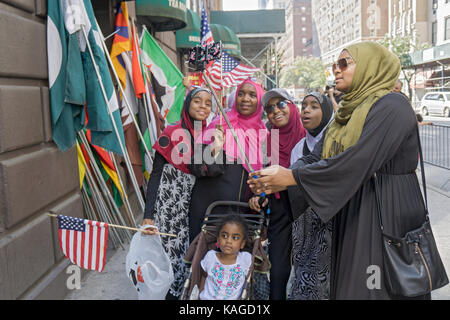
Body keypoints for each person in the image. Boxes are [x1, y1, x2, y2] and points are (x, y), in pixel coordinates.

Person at [247, 42, 432, 300]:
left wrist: (291, 177)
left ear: (369, 66)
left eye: (345, 63)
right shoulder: (346, 112)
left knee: (377, 286)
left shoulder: (392, 106)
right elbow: (315, 156)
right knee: (351, 286)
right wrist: (276, 178)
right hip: (354, 211)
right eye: (335, 64)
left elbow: (357, 161)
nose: (337, 70)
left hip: (386, 212)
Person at [142, 87, 213, 299]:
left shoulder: (210, 137)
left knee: (188, 259)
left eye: (208, 103)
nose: (203, 106)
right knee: (166, 260)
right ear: (187, 104)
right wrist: (148, 215)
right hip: (168, 206)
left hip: (193, 206)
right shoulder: (170, 133)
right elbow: (155, 175)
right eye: (197, 101)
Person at [188, 78, 268, 243]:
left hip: (241, 213)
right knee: (202, 261)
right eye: (241, 94)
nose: (245, 99)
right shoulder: (220, 123)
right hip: (208, 209)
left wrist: (259, 196)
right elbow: (195, 166)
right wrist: (215, 147)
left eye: (252, 95)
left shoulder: (263, 133)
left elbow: (264, 175)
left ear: (259, 100)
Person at [248, 88, 306, 300]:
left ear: (292, 105)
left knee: (309, 267)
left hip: (308, 210)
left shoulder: (309, 136)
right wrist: (258, 194)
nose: (275, 111)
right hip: (280, 210)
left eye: (281, 104)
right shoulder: (269, 140)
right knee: (279, 270)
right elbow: (264, 176)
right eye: (269, 108)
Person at [288, 92, 334, 300]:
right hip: (304, 224)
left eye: (314, 106)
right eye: (304, 105)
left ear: (327, 112)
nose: (306, 110)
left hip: (331, 222)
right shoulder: (299, 149)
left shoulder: (335, 143)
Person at [199, 214, 252, 300]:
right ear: (218, 240)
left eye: (235, 238)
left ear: (242, 244)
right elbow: (204, 276)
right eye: (224, 236)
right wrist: (199, 295)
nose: (228, 241)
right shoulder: (210, 257)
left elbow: (250, 283)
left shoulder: (245, 259)